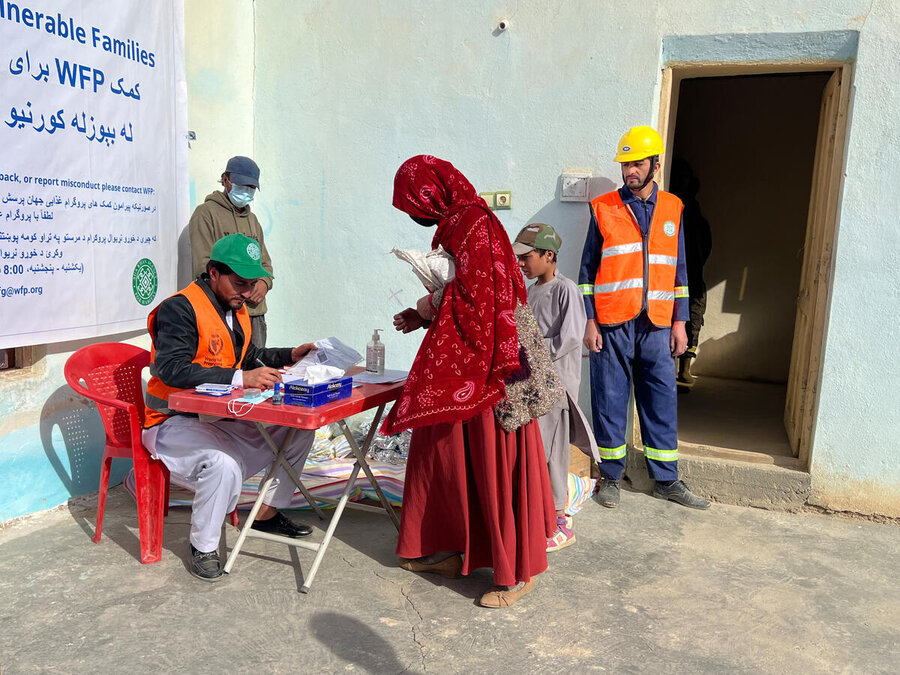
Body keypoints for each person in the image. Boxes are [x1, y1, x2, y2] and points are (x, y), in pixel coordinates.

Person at [383, 155, 556, 608]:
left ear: (432, 194)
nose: (416, 215)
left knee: (491, 457)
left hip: (493, 366)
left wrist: (427, 304)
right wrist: (426, 313)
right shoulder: (460, 224)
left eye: (414, 204)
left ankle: (515, 570)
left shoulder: (475, 223)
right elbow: (471, 294)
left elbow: (480, 297)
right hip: (468, 357)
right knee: (443, 449)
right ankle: (453, 546)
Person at [143, 233, 317, 581]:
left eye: (251, 284)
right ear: (213, 273)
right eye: (239, 283)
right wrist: (241, 379)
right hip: (172, 423)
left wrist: (288, 356)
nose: (247, 291)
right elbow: (171, 369)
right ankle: (204, 547)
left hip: (220, 419)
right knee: (222, 465)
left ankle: (266, 513)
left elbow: (248, 358)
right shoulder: (179, 308)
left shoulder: (237, 311)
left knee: (300, 430)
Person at [578, 126, 710, 510]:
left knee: (662, 400)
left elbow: (681, 272)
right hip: (612, 323)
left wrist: (680, 322)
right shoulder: (603, 208)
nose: (629, 171)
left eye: (637, 163)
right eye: (625, 164)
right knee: (609, 399)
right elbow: (588, 271)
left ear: (655, 163)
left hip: (657, 324)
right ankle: (611, 477)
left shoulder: (674, 208)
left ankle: (667, 480)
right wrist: (590, 320)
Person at [512, 222, 598, 552]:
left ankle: (560, 520)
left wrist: (530, 350)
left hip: (555, 389)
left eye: (527, 257)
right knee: (534, 450)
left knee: (553, 453)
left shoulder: (566, 291)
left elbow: (571, 338)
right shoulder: (531, 291)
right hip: (531, 387)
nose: (521, 264)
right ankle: (539, 513)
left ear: (549, 255)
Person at [189, 156, 273, 348]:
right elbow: (203, 267)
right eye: (242, 185)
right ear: (226, 180)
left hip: (254, 313)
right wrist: (239, 289)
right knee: (227, 374)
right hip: (224, 313)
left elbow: (266, 265)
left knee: (258, 370)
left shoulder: (253, 220)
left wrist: (263, 283)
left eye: (251, 188)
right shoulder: (206, 214)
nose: (247, 191)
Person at [669, 158, 712, 390]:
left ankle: (684, 370)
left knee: (693, 320)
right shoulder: (671, 210)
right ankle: (674, 370)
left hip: (693, 277)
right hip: (672, 277)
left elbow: (705, 245)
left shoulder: (694, 214)